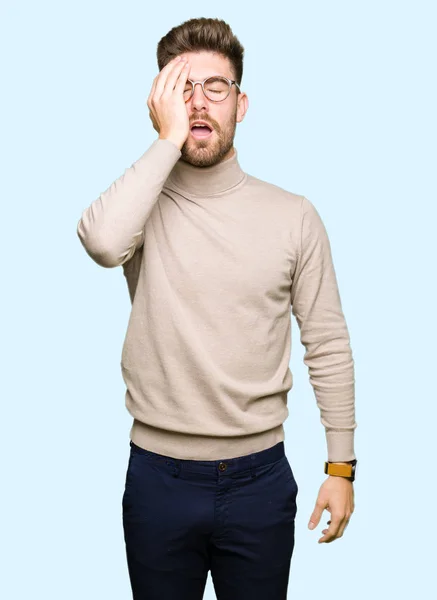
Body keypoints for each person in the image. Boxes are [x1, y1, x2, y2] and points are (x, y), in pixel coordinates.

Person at [77, 16, 357, 600]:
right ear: (160, 102)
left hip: (260, 479)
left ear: (242, 103)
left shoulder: (294, 216)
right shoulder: (141, 202)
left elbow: (326, 342)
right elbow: (102, 243)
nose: (199, 103)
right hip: (158, 477)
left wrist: (340, 466)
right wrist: (165, 142)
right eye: (183, 88)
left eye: (215, 88)